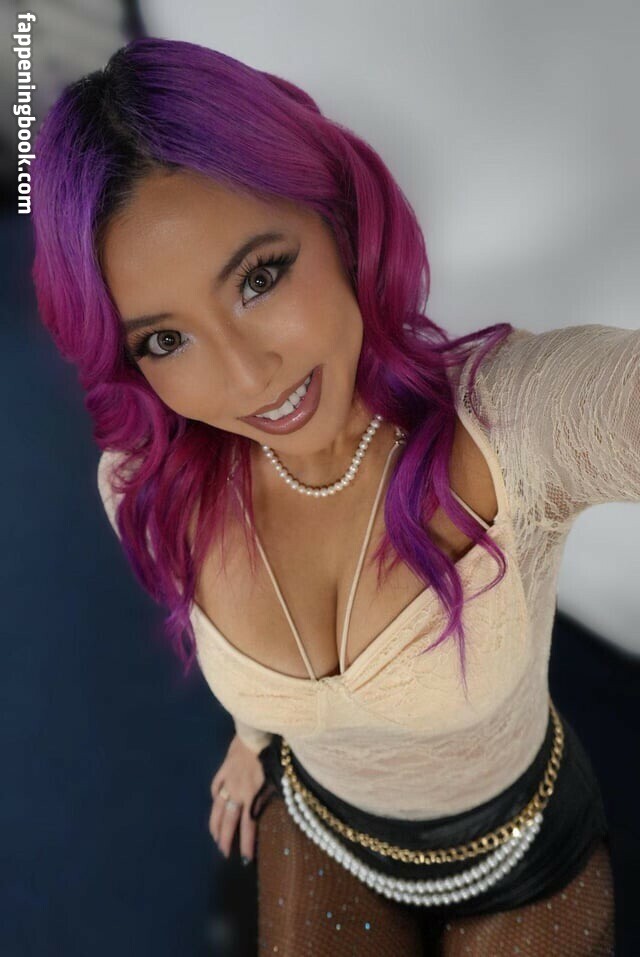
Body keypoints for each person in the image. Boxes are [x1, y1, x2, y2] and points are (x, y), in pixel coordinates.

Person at [30, 36, 639, 956]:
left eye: (259, 277)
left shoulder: (516, 423)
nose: (246, 378)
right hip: (320, 826)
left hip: (521, 854)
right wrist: (250, 742)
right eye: (164, 340)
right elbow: (257, 678)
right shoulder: (144, 485)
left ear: (339, 218)